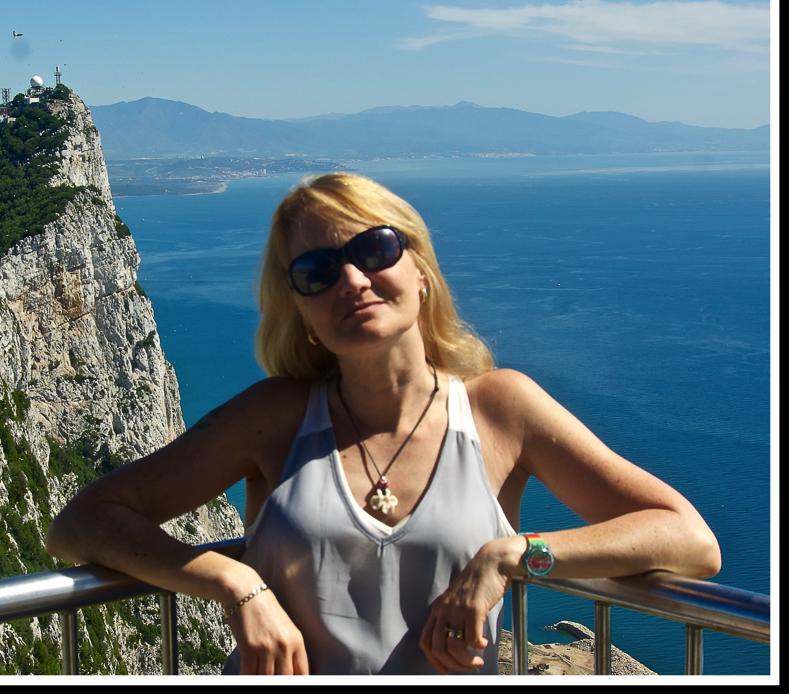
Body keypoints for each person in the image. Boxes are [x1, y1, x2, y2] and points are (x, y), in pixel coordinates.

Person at [44, 173, 721, 675]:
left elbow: (690, 540)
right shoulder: (273, 417)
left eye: (374, 250)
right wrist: (233, 581)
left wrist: (515, 554)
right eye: (315, 271)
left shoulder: (500, 409)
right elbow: (79, 524)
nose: (351, 280)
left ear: (420, 271)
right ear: (300, 311)